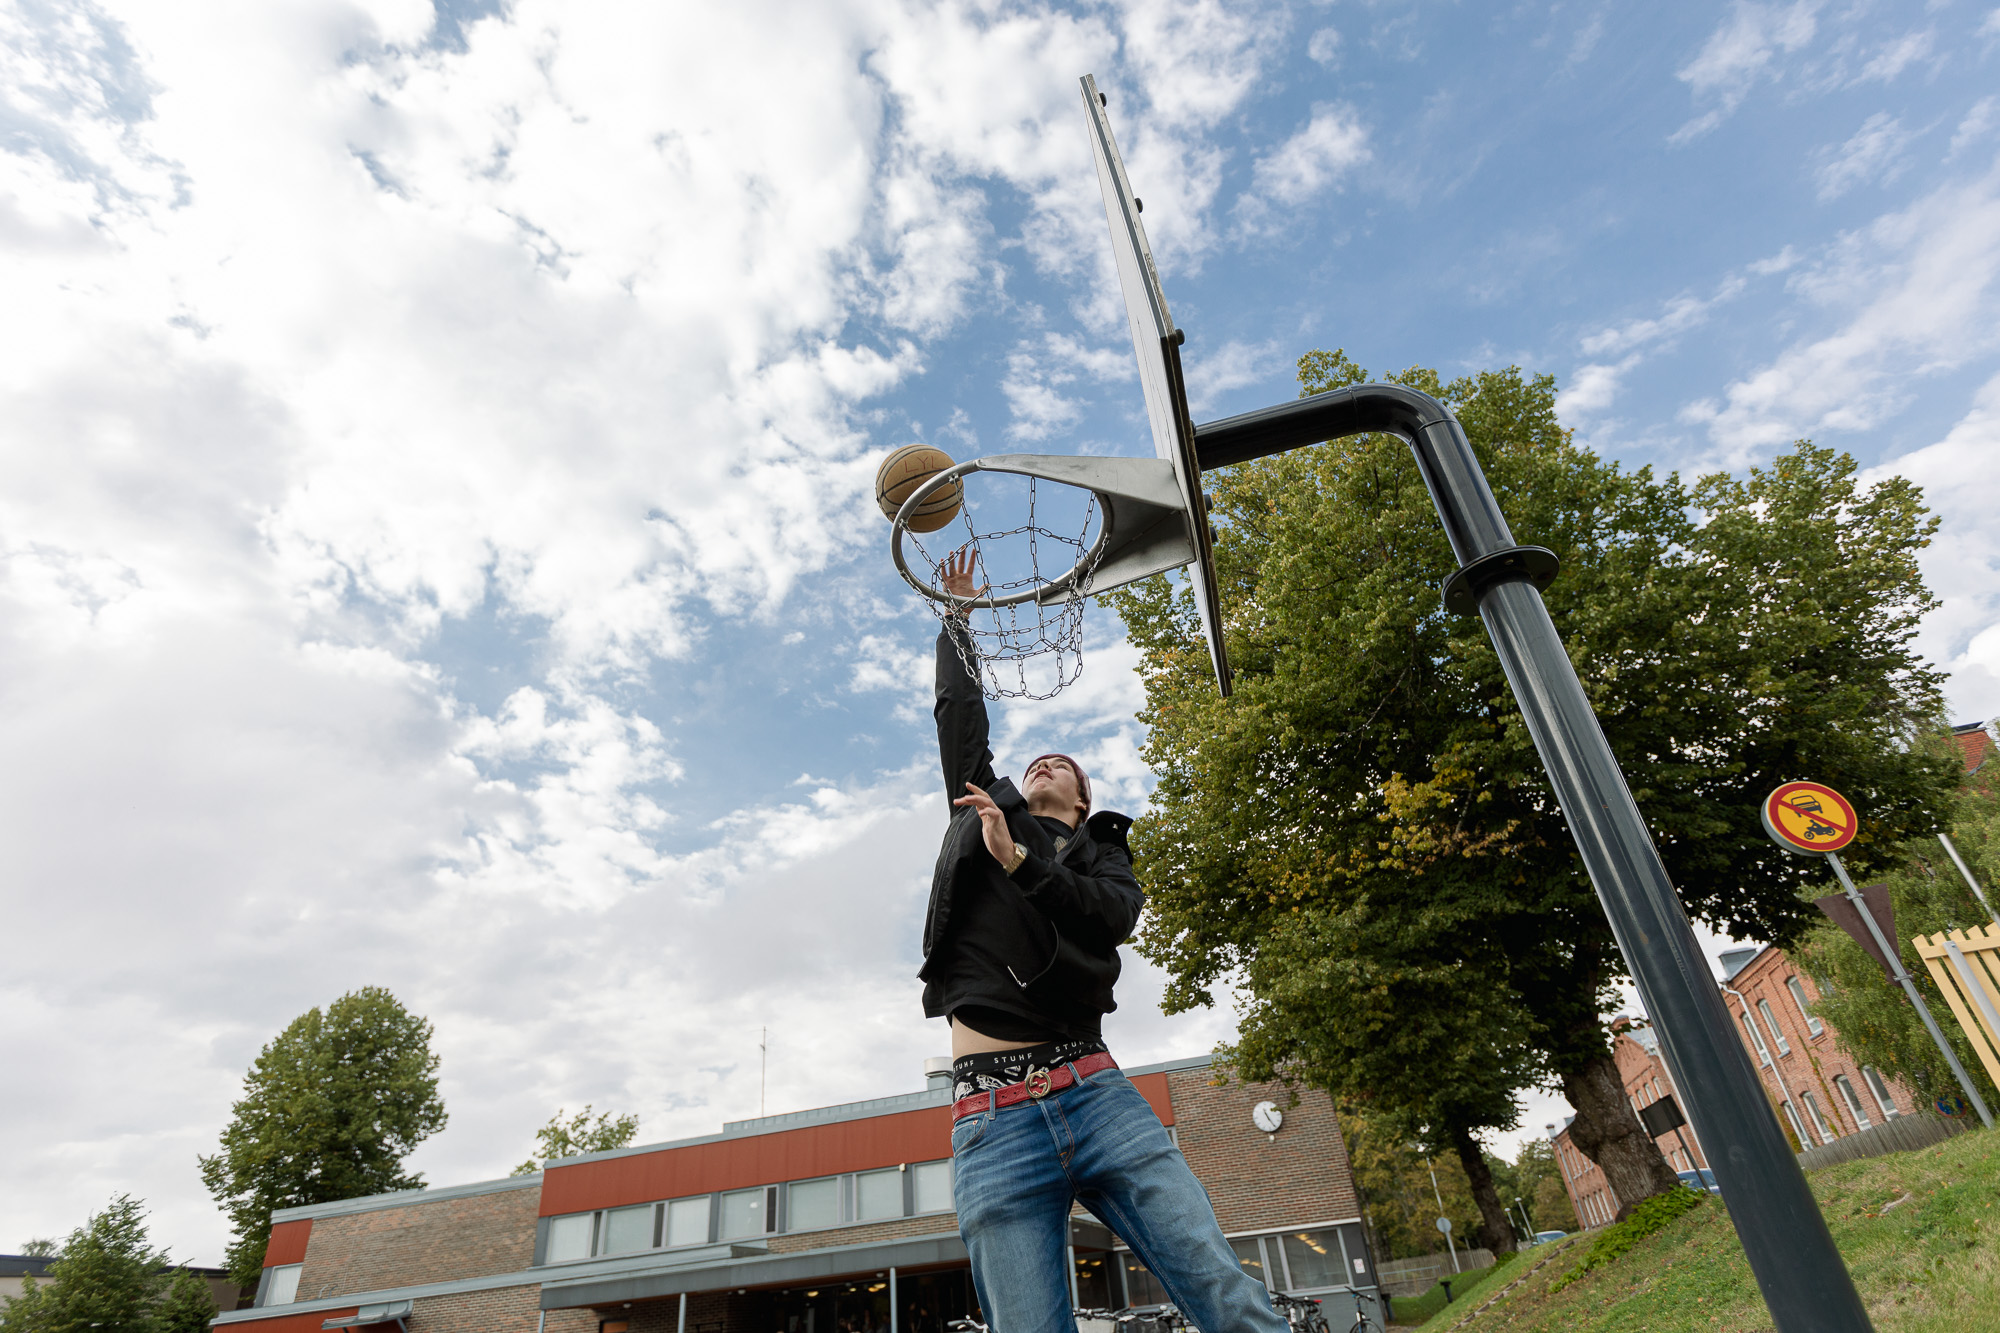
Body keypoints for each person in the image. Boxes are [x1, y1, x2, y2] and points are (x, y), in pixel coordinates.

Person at [922, 548, 1288, 1333]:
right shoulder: (986, 816)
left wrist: (1021, 866)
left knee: (1226, 1293)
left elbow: (1109, 916)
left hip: (1096, 1093)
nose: (1047, 760)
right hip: (992, 1115)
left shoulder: (1104, 860)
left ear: (1084, 802)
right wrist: (958, 619)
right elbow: (961, 720)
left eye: (1066, 764)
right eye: (1036, 760)